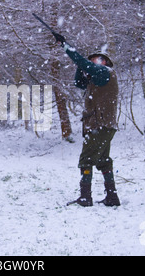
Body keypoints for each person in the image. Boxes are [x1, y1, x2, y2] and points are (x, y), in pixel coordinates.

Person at [53, 32, 121, 207]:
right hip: (102, 126)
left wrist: (66, 46)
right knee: (103, 161)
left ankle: (85, 197)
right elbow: (79, 83)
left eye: (99, 60)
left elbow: (85, 64)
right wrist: (81, 67)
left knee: (86, 161)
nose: (95, 63)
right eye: (93, 61)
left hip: (100, 125)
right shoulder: (95, 80)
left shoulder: (106, 73)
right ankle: (112, 197)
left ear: (105, 62)